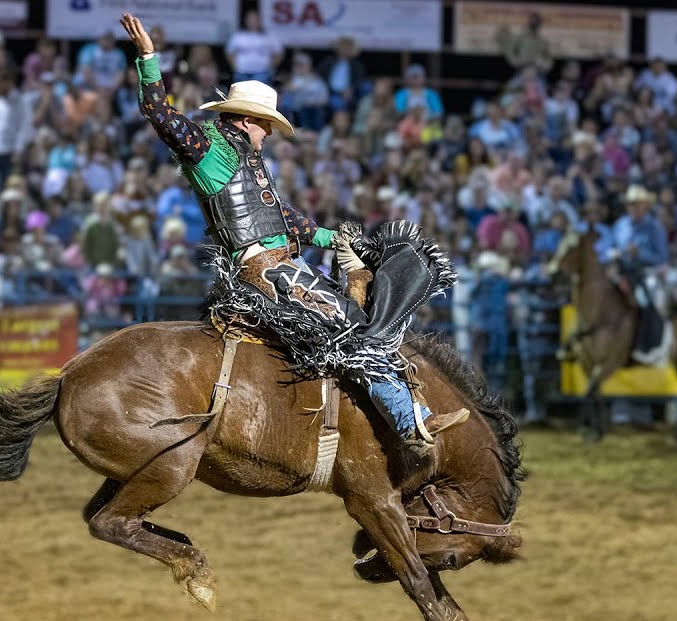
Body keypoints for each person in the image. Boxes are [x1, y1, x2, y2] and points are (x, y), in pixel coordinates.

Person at [121, 13, 467, 455]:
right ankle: (407, 424)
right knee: (353, 327)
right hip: (266, 272)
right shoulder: (208, 149)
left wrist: (332, 239)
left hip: (283, 265)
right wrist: (149, 58)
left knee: (356, 310)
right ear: (246, 120)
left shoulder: (244, 158)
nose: (270, 132)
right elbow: (158, 112)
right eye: (266, 124)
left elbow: (282, 218)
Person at [602, 184, 670, 365]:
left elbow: (662, 258)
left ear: (645, 206)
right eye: (631, 204)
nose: (634, 208)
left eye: (638, 204)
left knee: (645, 300)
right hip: (621, 271)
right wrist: (613, 253)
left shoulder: (654, 227)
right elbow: (608, 248)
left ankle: (647, 344)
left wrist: (639, 254)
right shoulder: (619, 226)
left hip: (645, 272)